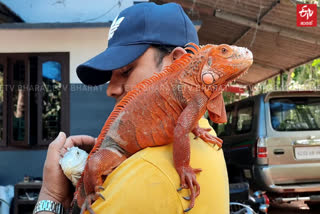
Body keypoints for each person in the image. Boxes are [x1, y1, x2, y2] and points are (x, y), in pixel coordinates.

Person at [34, 3, 229, 214]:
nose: (110, 89)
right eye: (111, 75)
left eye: (126, 71)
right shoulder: (201, 135)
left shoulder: (147, 172)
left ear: (177, 61)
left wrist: (50, 196)